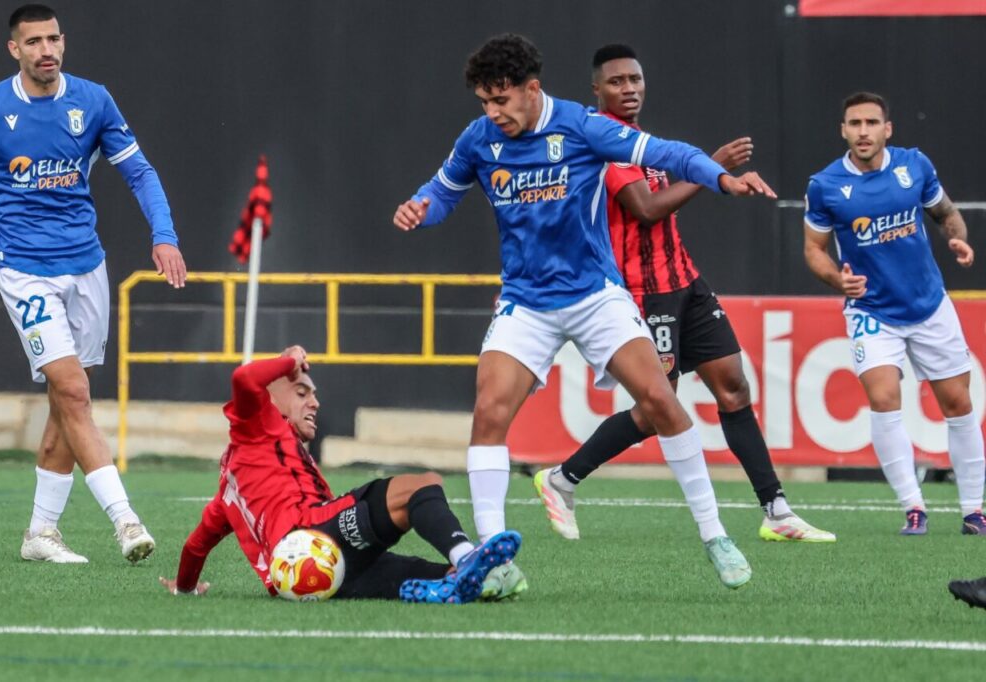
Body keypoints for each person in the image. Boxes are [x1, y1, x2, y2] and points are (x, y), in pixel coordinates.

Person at [393, 34, 777, 588]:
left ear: (532, 90)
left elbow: (666, 153)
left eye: (501, 100)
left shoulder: (579, 126)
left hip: (595, 295)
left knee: (661, 401)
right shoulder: (479, 139)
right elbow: (443, 191)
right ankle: (492, 561)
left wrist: (719, 177)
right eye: (484, 102)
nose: (492, 113)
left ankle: (715, 535)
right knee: (488, 413)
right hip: (526, 302)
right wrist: (419, 208)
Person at [534, 44, 835, 544]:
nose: (628, 89)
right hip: (642, 293)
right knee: (659, 407)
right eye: (616, 82)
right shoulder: (599, 143)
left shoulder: (642, 141)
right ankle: (562, 478)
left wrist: (713, 173)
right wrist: (711, 168)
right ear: (596, 90)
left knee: (734, 386)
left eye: (635, 79)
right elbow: (646, 209)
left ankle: (777, 511)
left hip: (685, 282)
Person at [0, 4, 187, 563]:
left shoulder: (92, 100)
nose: (47, 50)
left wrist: (164, 234)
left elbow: (139, 171)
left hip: (87, 268)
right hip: (23, 269)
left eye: (54, 39)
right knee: (75, 393)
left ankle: (40, 534)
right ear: (13, 49)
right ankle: (125, 520)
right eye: (34, 41)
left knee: (67, 402)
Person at [160, 346, 524, 604]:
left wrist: (186, 588)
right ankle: (467, 557)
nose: (315, 402)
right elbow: (245, 377)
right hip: (311, 543)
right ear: (270, 400)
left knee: (426, 572)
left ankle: (475, 579)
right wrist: (288, 360)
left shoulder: (229, 493)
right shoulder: (254, 428)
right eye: (302, 392)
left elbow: (196, 545)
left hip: (313, 576)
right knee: (423, 486)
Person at [803, 91, 984, 535]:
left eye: (871, 123)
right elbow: (814, 249)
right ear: (843, 130)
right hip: (872, 311)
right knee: (884, 399)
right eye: (854, 124)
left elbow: (946, 214)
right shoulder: (825, 185)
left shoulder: (913, 166)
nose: (863, 131)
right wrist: (836, 280)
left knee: (958, 404)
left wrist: (956, 238)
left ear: (888, 129)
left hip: (928, 304)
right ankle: (913, 507)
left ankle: (974, 510)